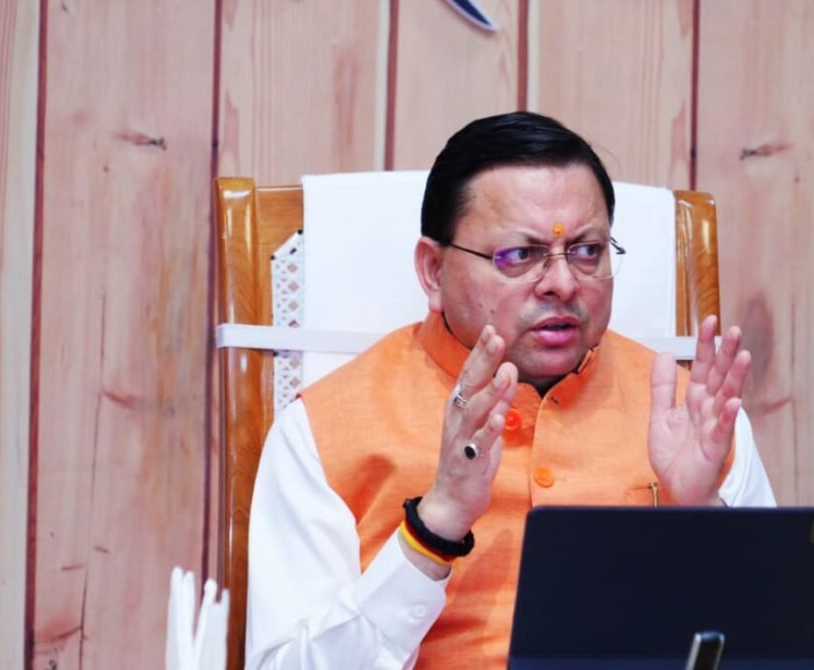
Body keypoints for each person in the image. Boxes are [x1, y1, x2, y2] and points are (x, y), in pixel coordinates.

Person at [245, 112, 775, 669]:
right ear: (433, 271)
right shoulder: (323, 433)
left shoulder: (695, 419)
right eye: (520, 256)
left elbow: (778, 653)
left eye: (587, 251)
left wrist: (702, 518)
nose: (563, 283)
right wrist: (433, 527)